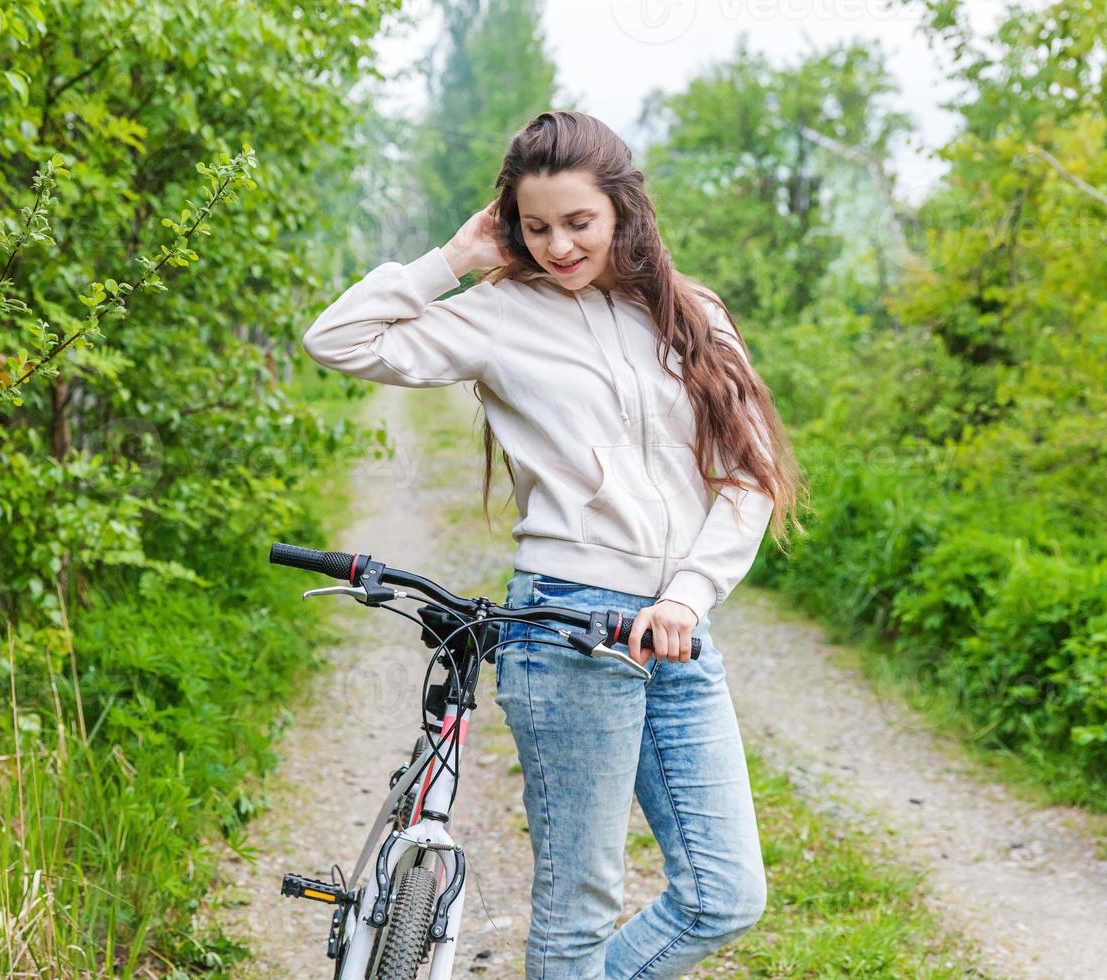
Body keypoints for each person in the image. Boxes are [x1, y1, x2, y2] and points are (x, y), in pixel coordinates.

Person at [301, 110, 804, 980]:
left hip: (679, 630)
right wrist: (452, 261)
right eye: (536, 228)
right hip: (565, 628)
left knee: (725, 895)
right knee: (577, 912)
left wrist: (687, 596)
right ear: (511, 225)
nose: (560, 246)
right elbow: (336, 340)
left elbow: (748, 476)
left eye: (579, 223)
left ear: (623, 211)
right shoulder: (496, 313)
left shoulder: (695, 314)